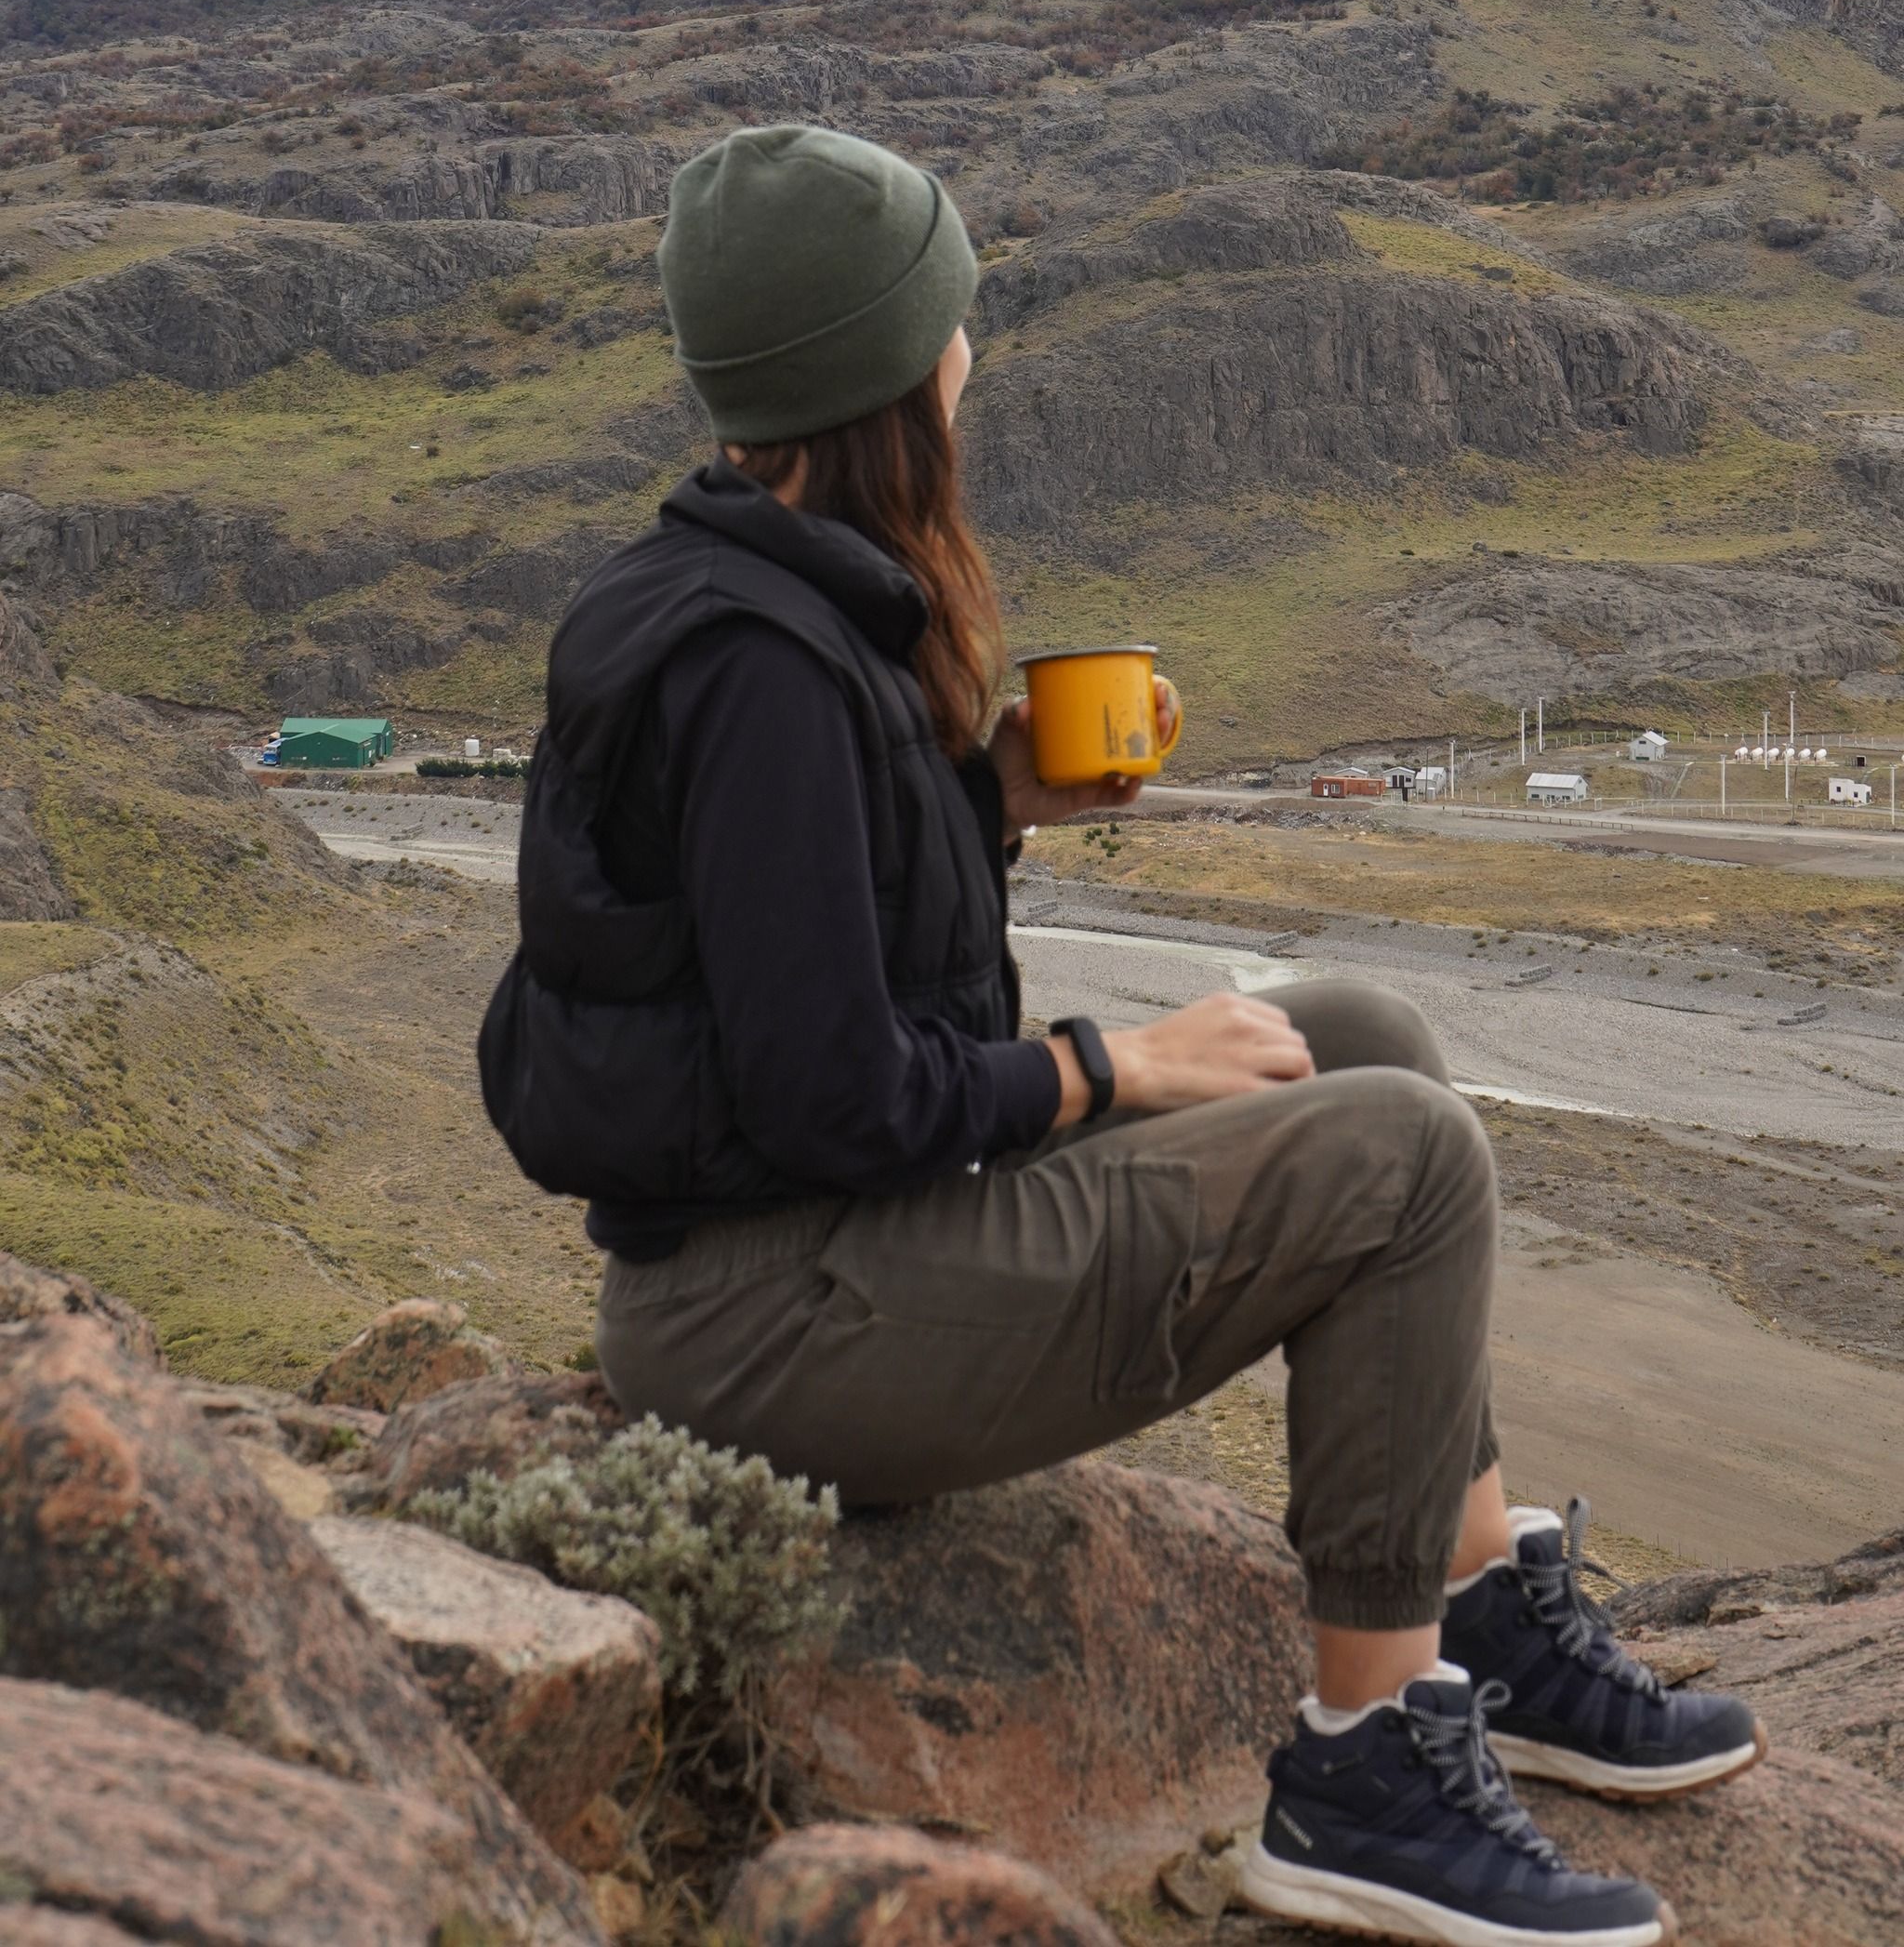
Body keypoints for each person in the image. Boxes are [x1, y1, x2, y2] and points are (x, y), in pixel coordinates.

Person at [481, 124, 1762, 1947]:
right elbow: (835, 1091)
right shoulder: (758, 662)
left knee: (1359, 1030)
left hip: (820, 1246)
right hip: (779, 1317)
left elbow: (784, 948)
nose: (970, 350)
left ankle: (1476, 1610)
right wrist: (1116, 1064)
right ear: (884, 367)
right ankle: (1366, 1778)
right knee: (1402, 1159)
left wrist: (991, 792)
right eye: (951, 317)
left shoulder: (771, 589)